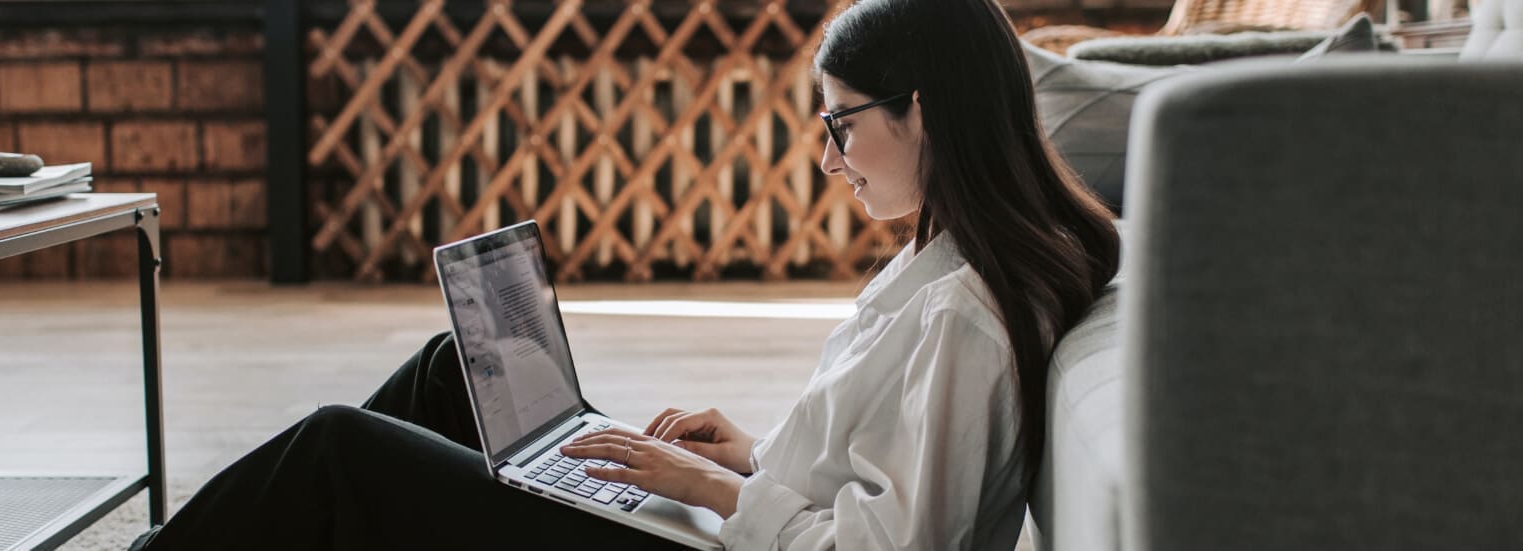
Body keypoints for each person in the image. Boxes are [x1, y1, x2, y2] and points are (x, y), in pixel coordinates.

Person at [135, 0, 1118, 548]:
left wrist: (709, 486)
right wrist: (750, 449)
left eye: (842, 124)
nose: (829, 158)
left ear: (926, 110)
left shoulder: (964, 313)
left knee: (338, 445)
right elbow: (873, 467)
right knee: (450, 365)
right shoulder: (951, 263)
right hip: (729, 521)